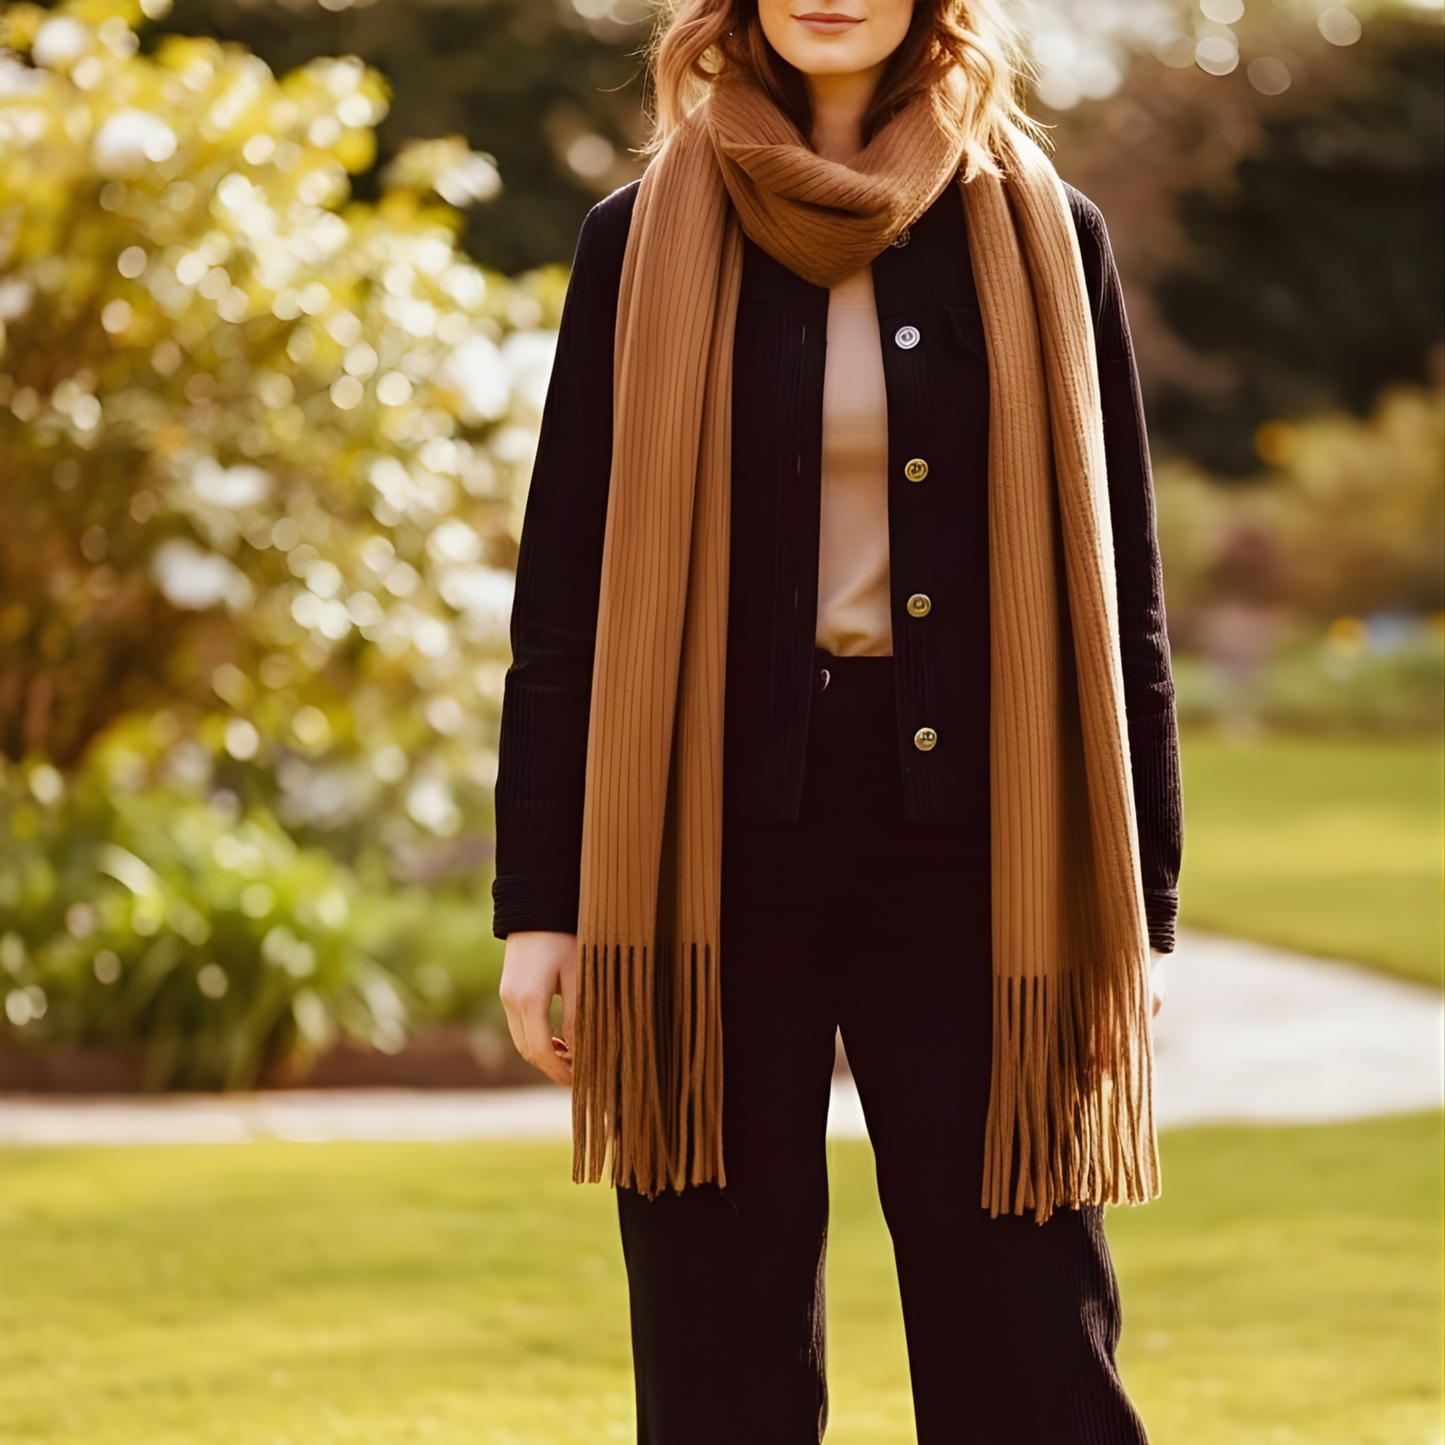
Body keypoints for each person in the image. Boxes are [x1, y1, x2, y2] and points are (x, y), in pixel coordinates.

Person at [492, 2, 1182, 1440]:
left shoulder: (1048, 235)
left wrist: (1143, 918)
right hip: (710, 849)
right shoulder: (637, 240)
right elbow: (564, 594)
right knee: (717, 1343)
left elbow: (1123, 610)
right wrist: (540, 906)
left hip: (982, 853)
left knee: (1027, 1334)